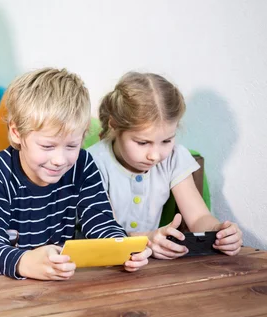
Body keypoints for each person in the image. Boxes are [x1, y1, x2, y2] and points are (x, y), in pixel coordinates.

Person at [0, 68, 151, 280]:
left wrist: (122, 251)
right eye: (48, 146)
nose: (59, 160)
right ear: (16, 132)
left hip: (47, 281)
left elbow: (100, 221)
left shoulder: (83, 165)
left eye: (71, 146)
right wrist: (24, 262)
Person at [88, 72, 243, 259]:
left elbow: (199, 217)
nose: (154, 155)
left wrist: (219, 233)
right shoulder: (93, 162)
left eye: (166, 141)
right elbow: (104, 232)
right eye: (142, 143)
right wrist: (146, 239)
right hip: (97, 264)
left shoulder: (174, 158)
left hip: (147, 267)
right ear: (114, 125)